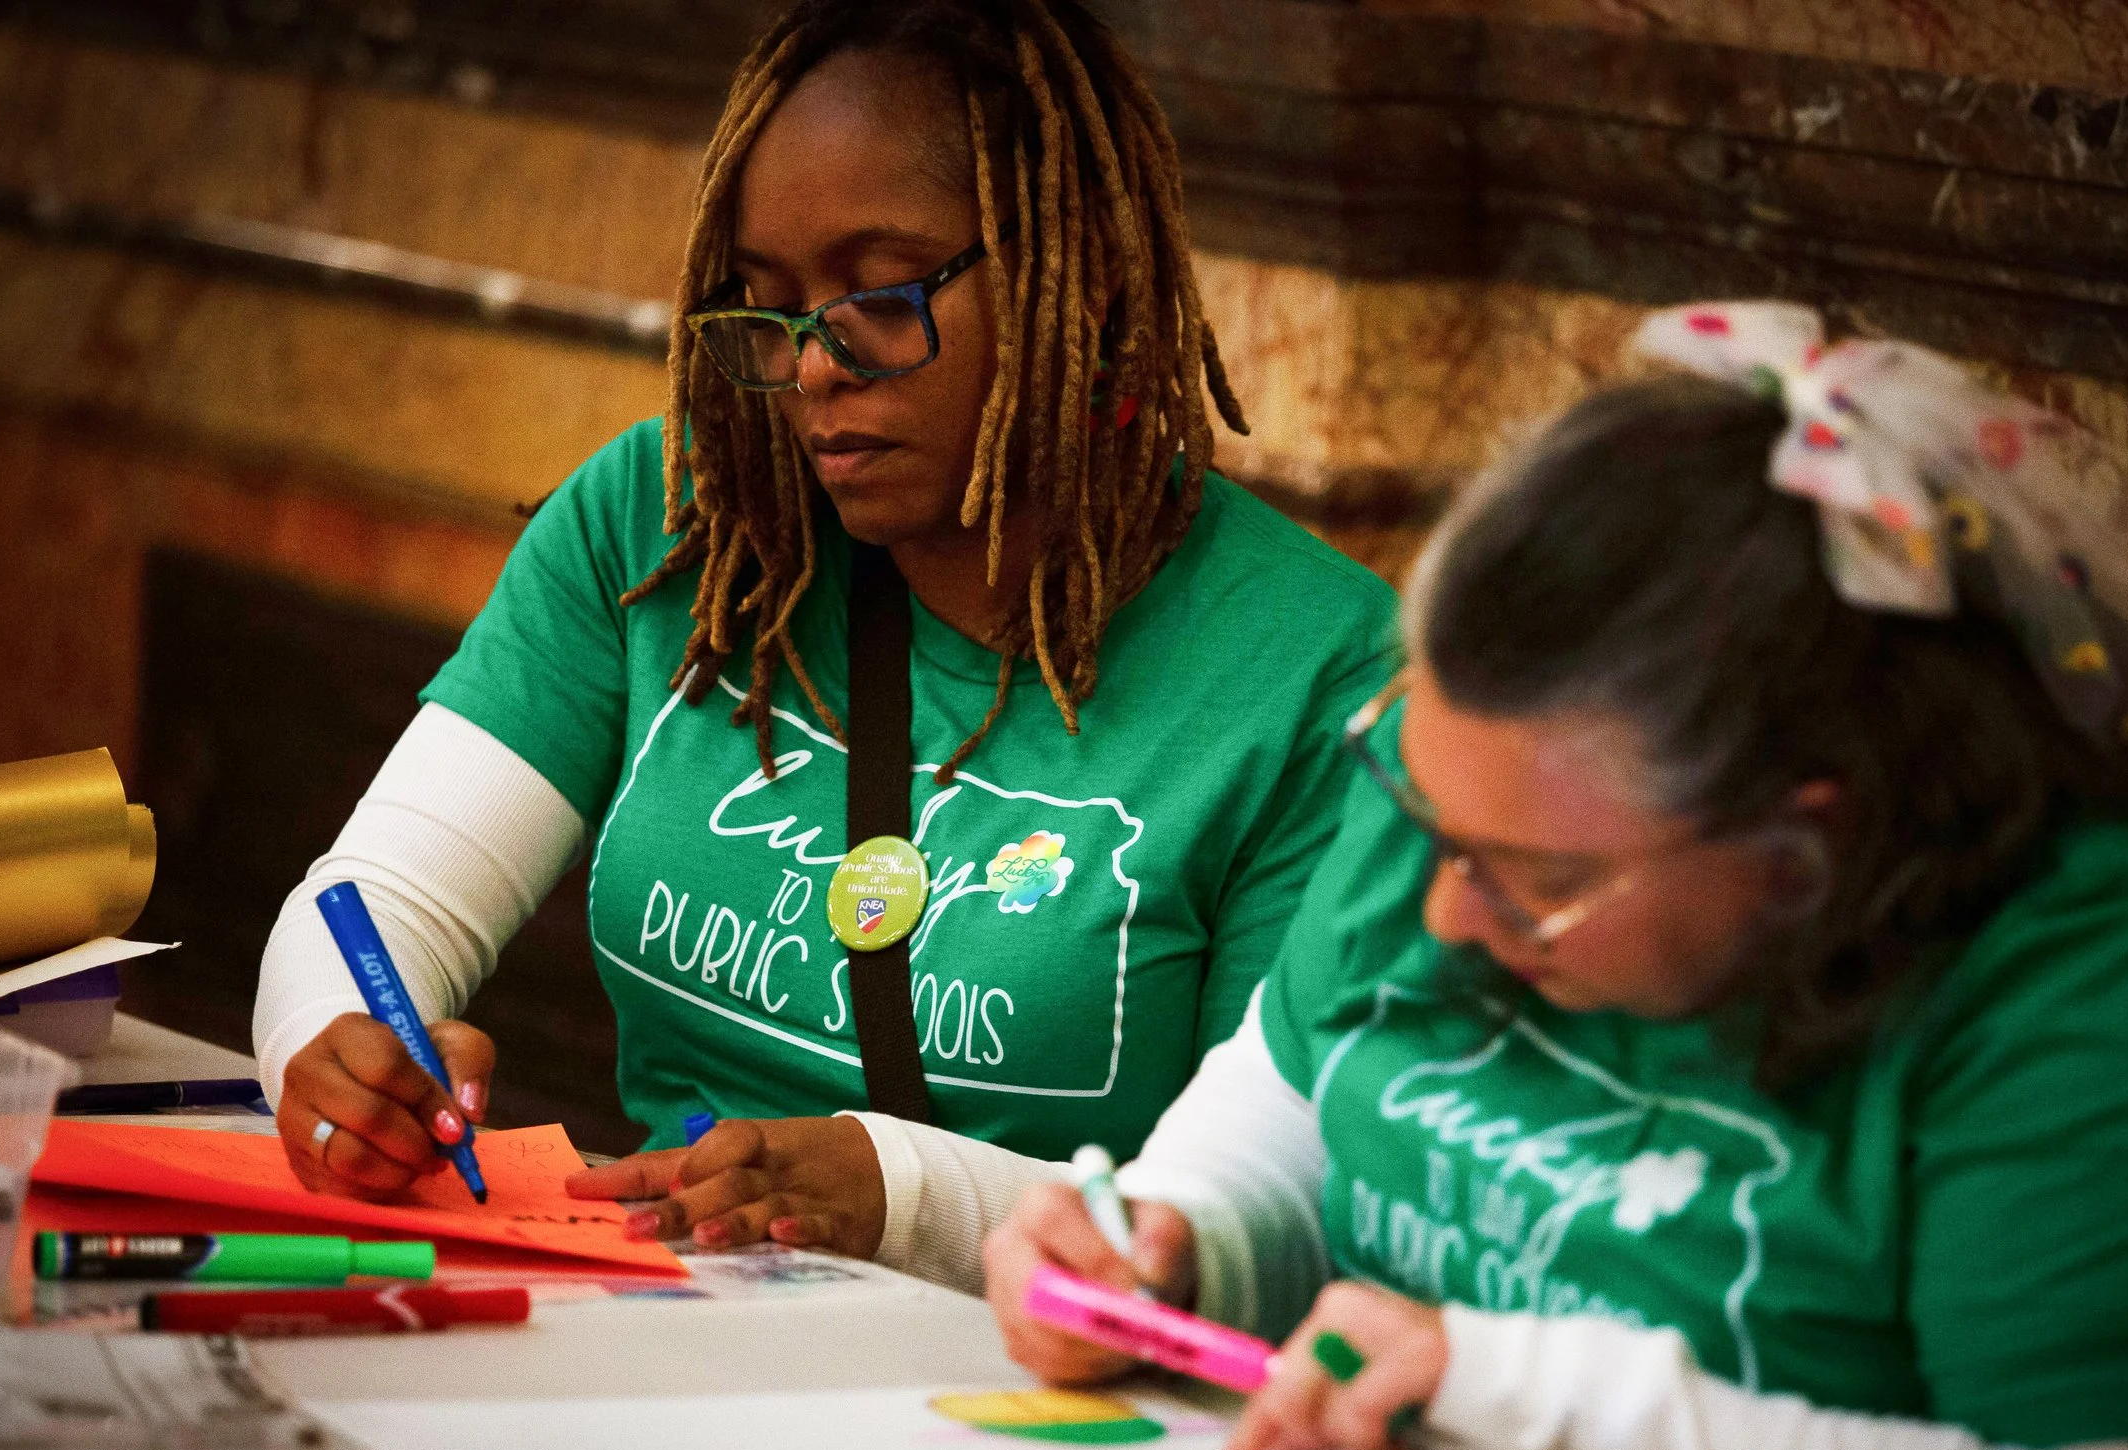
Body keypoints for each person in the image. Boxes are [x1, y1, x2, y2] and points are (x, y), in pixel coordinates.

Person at [984, 302, 2128, 1450]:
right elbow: (1303, 1102)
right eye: (1427, 821)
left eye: (1536, 878)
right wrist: (1171, 1241)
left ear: (1804, 846)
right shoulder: (1480, 789)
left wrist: (1524, 1393)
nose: (1442, 911)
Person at [249, 0, 1395, 1293]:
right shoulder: (676, 523)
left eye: (883, 295)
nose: (813, 370)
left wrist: (897, 1192)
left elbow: (1268, 1220)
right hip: (658, 1323)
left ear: (1085, 276)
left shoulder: (1317, 670)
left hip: (1035, 1380)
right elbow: (372, 904)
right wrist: (339, 1052)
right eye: (772, 307)